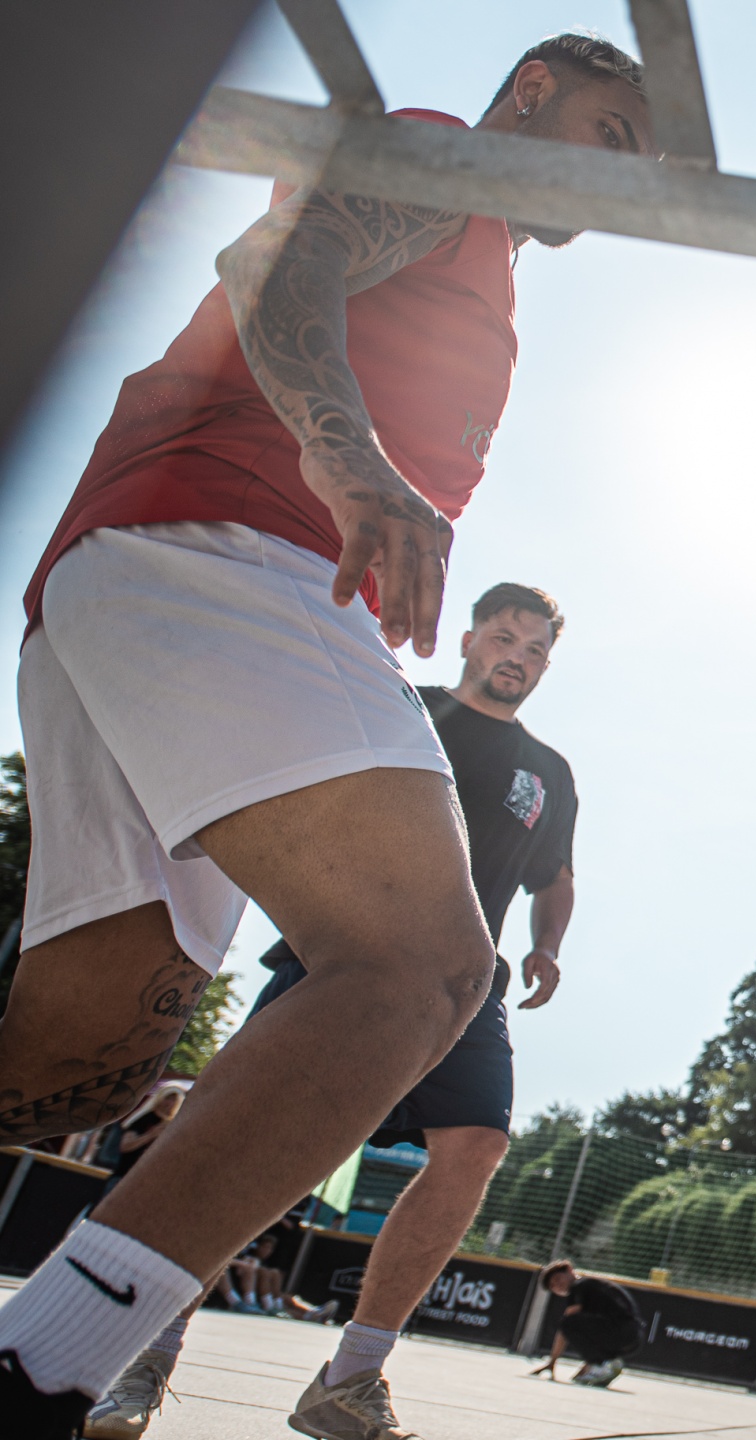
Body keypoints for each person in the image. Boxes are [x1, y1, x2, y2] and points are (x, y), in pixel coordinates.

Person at [0, 32, 650, 1439]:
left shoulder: (486, 268)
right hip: (227, 548)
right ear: (534, 89)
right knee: (423, 968)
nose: (623, 175)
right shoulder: (444, 163)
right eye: (612, 132)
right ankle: (44, 1371)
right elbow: (277, 263)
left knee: (84, 1062)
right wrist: (350, 464)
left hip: (128, 580)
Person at [90, 583, 579, 1436]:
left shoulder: (550, 772)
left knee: (476, 1146)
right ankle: (144, 1353)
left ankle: (349, 1380)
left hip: (463, 981)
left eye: (536, 649)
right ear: (469, 640)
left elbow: (557, 877)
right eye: (506, 637)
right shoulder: (399, 707)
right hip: (343, 953)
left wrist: (548, 945)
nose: (519, 657)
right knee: (243, 1135)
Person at [532, 1261, 643, 1387]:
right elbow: (593, 1333)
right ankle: (604, 1365)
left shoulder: (578, 1286)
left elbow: (566, 1327)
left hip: (620, 1331)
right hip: (633, 1338)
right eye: (553, 1286)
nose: (558, 1285)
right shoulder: (593, 1286)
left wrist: (552, 1362)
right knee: (579, 1325)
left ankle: (603, 1364)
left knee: (569, 1323)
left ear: (569, 1270)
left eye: (557, 1278)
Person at [97, 1085, 186, 1197]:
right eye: (168, 1098)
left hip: (146, 1184)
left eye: (174, 1100)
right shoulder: (144, 1119)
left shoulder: (172, 1126)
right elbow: (125, 1146)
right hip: (123, 1179)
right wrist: (149, 1135)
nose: (170, 1103)